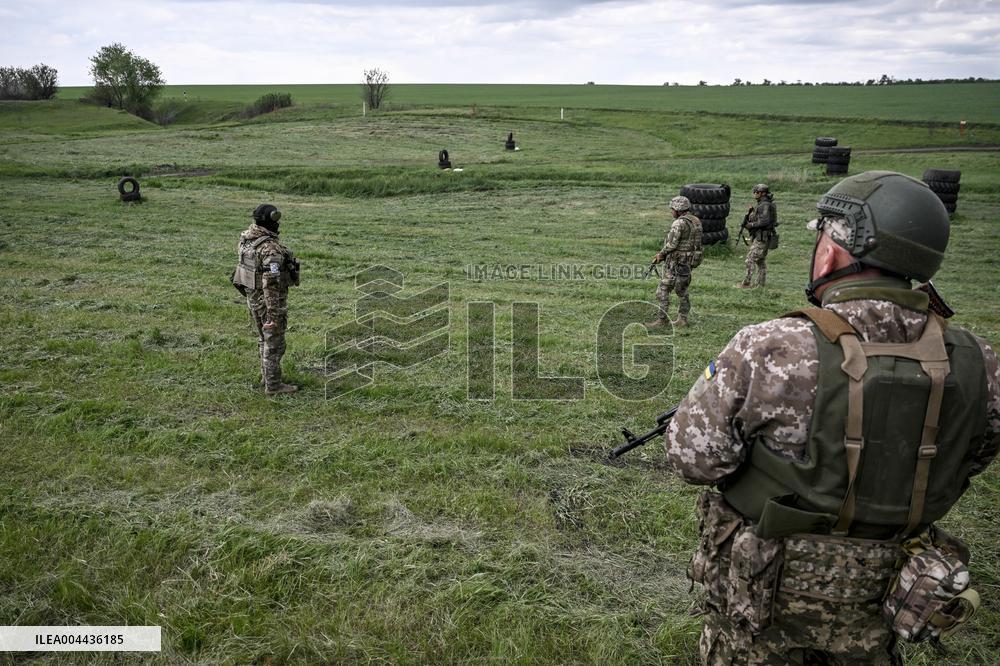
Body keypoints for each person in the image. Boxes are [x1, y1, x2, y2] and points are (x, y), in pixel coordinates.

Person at [664, 171, 999, 664]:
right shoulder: (981, 363)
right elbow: (973, 458)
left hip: (764, 594)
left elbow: (693, 462)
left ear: (834, 250)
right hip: (888, 596)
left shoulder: (770, 347)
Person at [231, 203, 300, 395]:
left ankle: (266, 378)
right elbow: (271, 284)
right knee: (275, 343)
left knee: (263, 339)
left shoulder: (246, 239)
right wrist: (273, 314)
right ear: (272, 220)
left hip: (253, 299)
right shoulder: (270, 249)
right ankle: (274, 385)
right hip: (267, 302)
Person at [647, 195, 703, 328]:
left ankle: (662, 320)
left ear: (678, 209)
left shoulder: (679, 223)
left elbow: (672, 244)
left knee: (662, 290)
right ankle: (682, 319)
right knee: (682, 290)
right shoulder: (696, 221)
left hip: (676, 262)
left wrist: (660, 254)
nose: (671, 211)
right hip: (688, 262)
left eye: (672, 209)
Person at [737, 183, 777, 289]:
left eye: (757, 192)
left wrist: (751, 225)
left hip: (762, 237)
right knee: (760, 261)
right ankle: (760, 284)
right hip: (761, 236)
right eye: (754, 192)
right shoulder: (762, 203)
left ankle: (746, 283)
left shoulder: (765, 205)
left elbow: (764, 221)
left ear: (763, 193)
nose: (755, 194)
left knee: (750, 259)